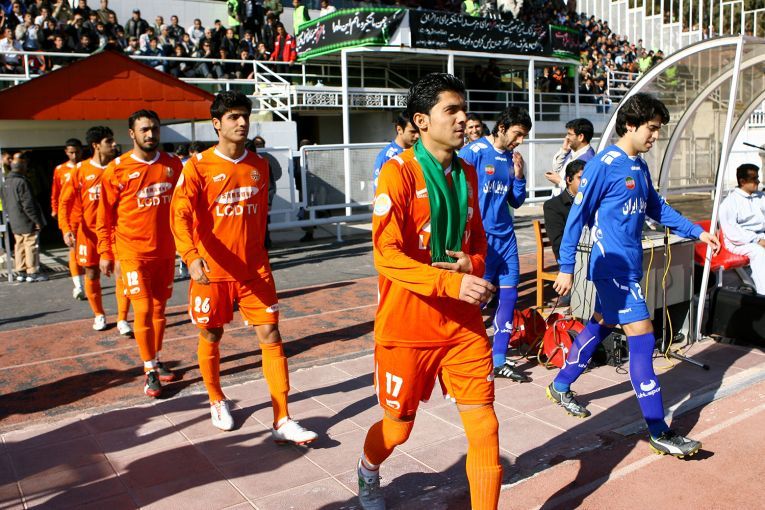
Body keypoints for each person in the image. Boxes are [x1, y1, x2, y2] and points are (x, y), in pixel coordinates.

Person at [357, 73, 500, 510]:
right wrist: (451, 282)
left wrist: (472, 265)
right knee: (398, 430)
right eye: (451, 110)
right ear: (421, 121)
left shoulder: (468, 173)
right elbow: (386, 256)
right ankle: (367, 468)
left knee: (485, 428)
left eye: (464, 109)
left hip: (463, 327)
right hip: (407, 326)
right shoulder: (398, 173)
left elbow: (479, 242)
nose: (462, 119)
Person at [551, 93, 721, 457]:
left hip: (629, 266)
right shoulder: (603, 164)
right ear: (630, 125)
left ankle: (560, 384)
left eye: (658, 130)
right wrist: (566, 268)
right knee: (643, 339)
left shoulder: (639, 166)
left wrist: (696, 231)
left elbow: (657, 208)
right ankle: (660, 431)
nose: (655, 136)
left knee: (601, 323)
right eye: (652, 128)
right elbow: (576, 218)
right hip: (611, 267)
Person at [170, 91, 318, 443]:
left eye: (245, 116)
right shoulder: (197, 166)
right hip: (212, 272)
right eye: (233, 117)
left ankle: (282, 419)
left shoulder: (259, 166)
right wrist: (190, 256)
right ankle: (216, 398)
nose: (241, 123)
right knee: (211, 334)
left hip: (255, 271)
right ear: (216, 123)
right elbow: (179, 216)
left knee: (272, 335)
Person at [97, 110, 183, 398]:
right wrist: (105, 251)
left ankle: (155, 359)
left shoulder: (173, 164)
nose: (150, 134)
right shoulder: (117, 169)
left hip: (166, 252)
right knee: (143, 310)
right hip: (132, 253)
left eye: (154, 128)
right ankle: (149, 370)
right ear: (132, 134)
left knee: (159, 311)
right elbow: (104, 216)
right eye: (144, 129)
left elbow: (185, 206)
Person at [458, 106, 531, 383]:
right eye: (517, 134)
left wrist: (519, 176)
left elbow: (516, 201)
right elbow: (454, 187)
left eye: (523, 137)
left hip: (507, 238)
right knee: (477, 300)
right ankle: (460, 351)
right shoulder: (474, 152)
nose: (520, 141)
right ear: (502, 128)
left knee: (509, 297)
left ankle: (499, 359)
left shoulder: (512, 158)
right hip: (481, 240)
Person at [60, 126, 131, 333]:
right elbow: (65, 202)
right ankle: (99, 314)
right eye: (108, 141)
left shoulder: (120, 167)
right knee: (92, 273)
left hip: (116, 232)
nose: (114, 144)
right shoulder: (80, 170)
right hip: (89, 234)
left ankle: (122, 319)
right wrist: (66, 229)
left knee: (120, 272)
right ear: (96, 145)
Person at [718, 163, 765, 294]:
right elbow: (732, 232)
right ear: (742, 181)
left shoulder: (760, 197)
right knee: (759, 252)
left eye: (757, 178)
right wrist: (757, 240)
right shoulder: (730, 203)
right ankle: (763, 294)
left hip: (759, 236)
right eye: (754, 179)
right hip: (739, 242)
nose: (758, 181)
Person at [51, 138, 86, 299]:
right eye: (71, 152)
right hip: (72, 218)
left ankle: (93, 281)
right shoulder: (60, 170)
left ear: (82, 150)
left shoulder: (87, 166)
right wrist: (55, 209)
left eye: (77, 152)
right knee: (73, 250)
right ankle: (78, 286)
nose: (74, 155)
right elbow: (56, 193)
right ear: (66, 152)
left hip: (90, 216)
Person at [2, 157, 46, 282]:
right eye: (25, 166)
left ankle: (20, 272)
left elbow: (4, 203)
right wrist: (36, 220)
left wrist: (10, 216)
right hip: (26, 220)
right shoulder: (22, 182)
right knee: (31, 245)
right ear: (21, 168)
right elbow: (28, 204)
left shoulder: (5, 183)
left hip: (14, 219)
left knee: (19, 245)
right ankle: (32, 272)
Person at [544, 159, 584, 261]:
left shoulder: (593, 202)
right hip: (572, 259)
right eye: (580, 178)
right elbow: (558, 244)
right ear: (569, 180)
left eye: (587, 178)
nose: (585, 182)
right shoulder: (553, 206)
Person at [545, 118, 595, 196]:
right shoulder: (571, 151)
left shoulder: (588, 160)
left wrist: (559, 181)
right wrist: (564, 151)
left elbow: (580, 191)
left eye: (569, 134)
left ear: (581, 137)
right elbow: (556, 170)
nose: (566, 137)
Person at [372, 112, 419, 192]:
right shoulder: (386, 157)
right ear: (399, 129)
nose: (417, 135)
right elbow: (380, 191)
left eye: (419, 131)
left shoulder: (420, 151)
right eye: (413, 132)